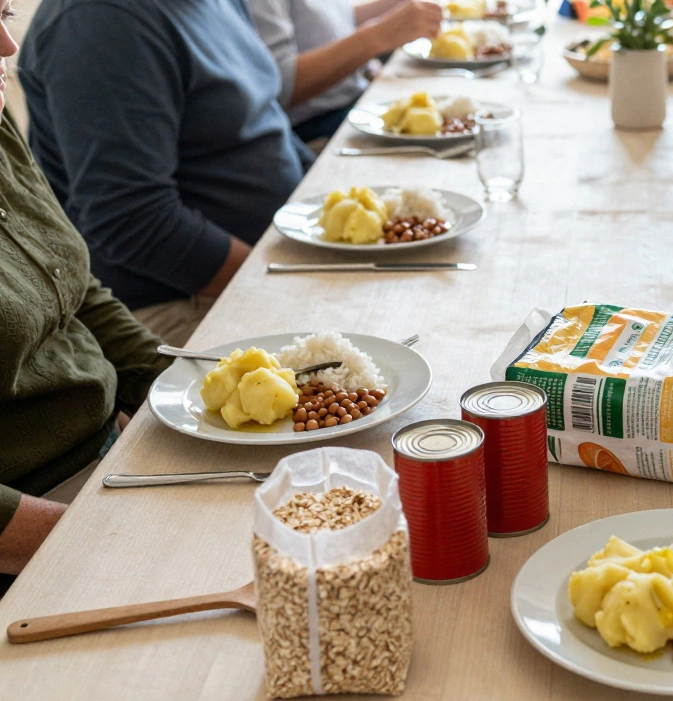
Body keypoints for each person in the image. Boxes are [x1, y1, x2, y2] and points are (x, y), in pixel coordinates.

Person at [19, 0, 313, 346]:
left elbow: (264, 116)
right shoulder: (99, 21)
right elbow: (132, 219)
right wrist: (277, 284)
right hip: (184, 298)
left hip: (272, 254)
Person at [0, 0, 171, 587]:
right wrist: (89, 538)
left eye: (4, 14)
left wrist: (171, 390)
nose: (8, 47)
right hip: (37, 520)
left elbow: (75, 287)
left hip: (110, 454)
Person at [246, 0, 443, 143]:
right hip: (318, 122)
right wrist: (377, 36)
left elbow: (337, 21)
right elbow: (279, 85)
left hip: (358, 92)